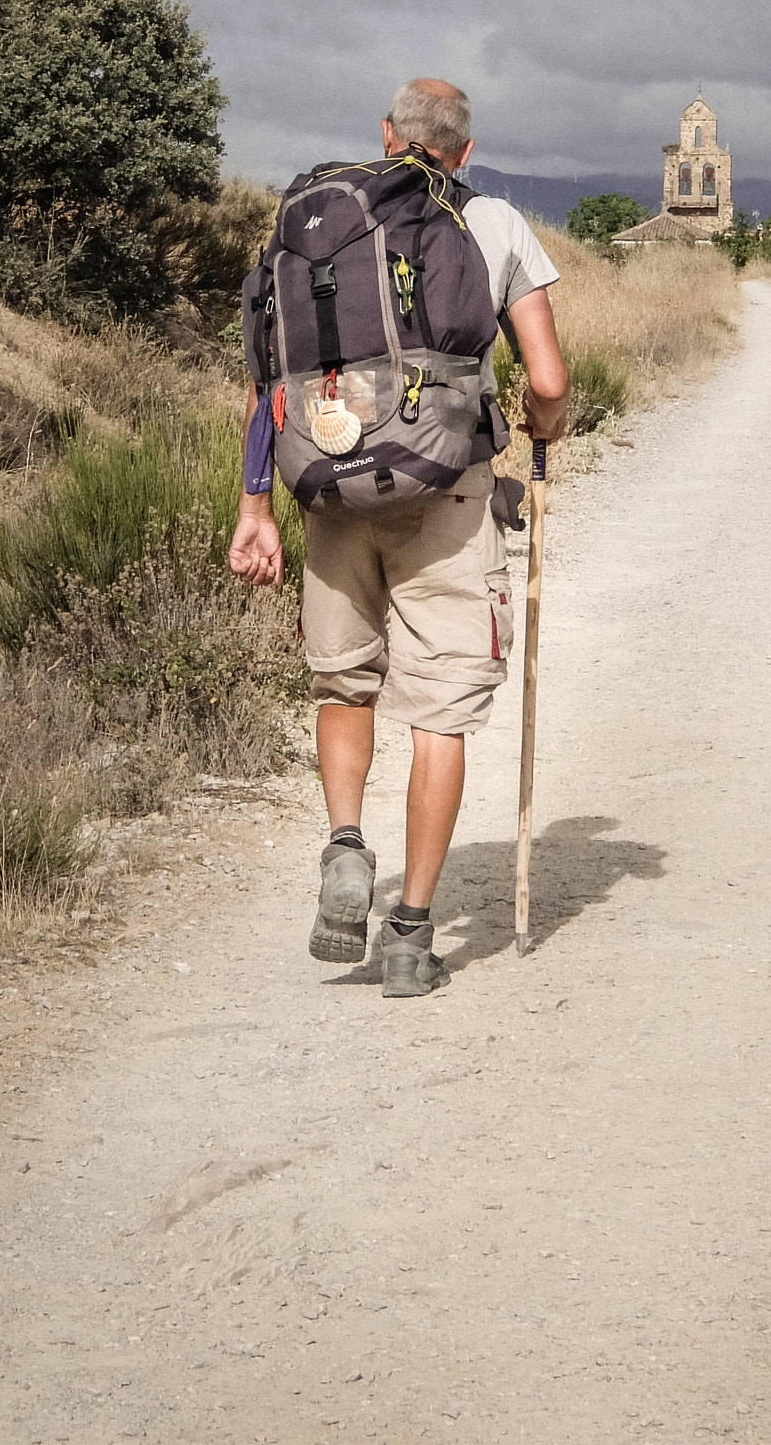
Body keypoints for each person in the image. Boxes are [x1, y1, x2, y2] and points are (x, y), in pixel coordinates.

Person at [228, 78, 569, 996]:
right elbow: (546, 375)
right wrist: (550, 428)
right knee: (441, 707)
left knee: (345, 682)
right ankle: (413, 933)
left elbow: (268, 383)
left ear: (386, 137)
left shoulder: (311, 225)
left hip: (327, 491)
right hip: (445, 497)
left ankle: (346, 844)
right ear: (464, 149)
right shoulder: (491, 221)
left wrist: (254, 508)